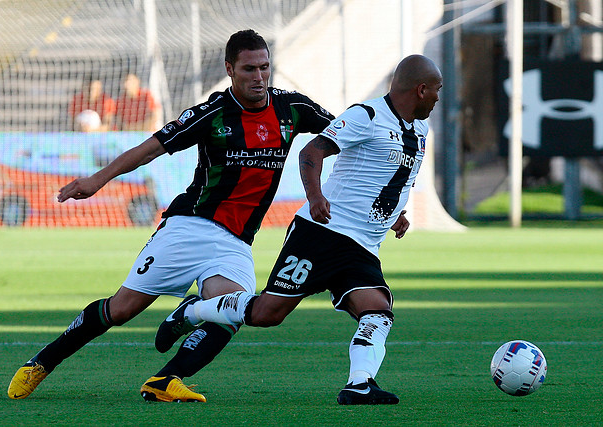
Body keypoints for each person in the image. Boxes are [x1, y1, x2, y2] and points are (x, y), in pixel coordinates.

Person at [7, 29, 334, 402]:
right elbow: (150, 150)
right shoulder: (211, 113)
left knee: (235, 311)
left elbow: (347, 133)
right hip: (190, 228)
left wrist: (388, 200)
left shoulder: (293, 108)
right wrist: (97, 180)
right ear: (229, 69)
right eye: (249, 69)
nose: (259, 77)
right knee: (122, 308)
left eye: (264, 67)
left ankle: (165, 379)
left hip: (237, 240)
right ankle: (40, 363)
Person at [155, 54, 442, 405]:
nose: (439, 98)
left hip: (363, 246)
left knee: (378, 311)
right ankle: (192, 311)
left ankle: (360, 384)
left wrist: (397, 212)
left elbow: (394, 176)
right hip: (321, 235)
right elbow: (311, 152)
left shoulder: (421, 129)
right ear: (421, 89)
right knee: (266, 314)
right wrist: (316, 196)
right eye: (437, 90)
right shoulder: (366, 116)